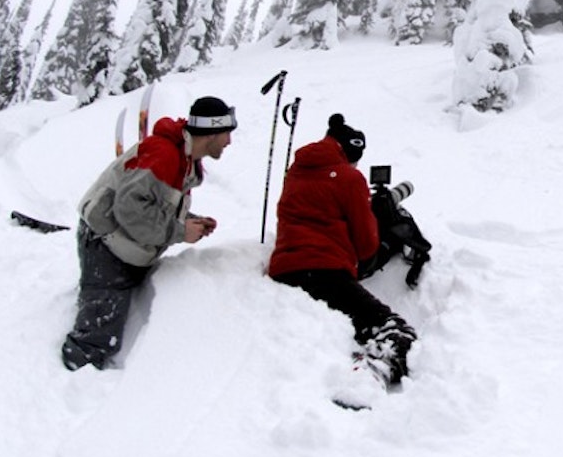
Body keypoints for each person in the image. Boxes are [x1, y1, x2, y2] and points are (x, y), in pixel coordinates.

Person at [60, 96, 237, 371]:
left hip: (124, 243)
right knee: (98, 337)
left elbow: (153, 204)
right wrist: (180, 231)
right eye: (227, 133)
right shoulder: (165, 155)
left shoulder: (184, 158)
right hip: (105, 243)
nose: (229, 142)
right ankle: (75, 378)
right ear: (212, 132)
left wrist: (189, 221)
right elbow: (129, 209)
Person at [267, 114, 417, 386]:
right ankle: (365, 382)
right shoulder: (349, 178)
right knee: (395, 331)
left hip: (283, 271)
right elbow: (366, 246)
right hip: (325, 274)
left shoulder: (296, 170)